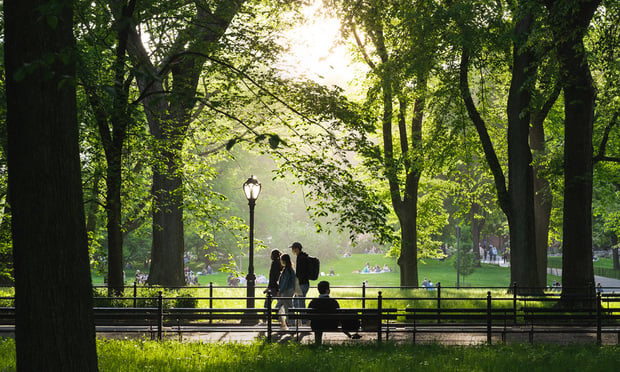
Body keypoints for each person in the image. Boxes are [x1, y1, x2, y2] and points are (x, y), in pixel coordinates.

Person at [308, 280, 361, 345]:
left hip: (316, 325)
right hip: (331, 325)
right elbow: (338, 315)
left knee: (318, 323)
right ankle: (349, 334)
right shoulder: (333, 302)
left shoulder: (313, 302)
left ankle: (317, 343)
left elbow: (308, 315)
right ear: (327, 291)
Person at [276, 253, 296, 330]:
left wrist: (280, 291)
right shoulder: (290, 269)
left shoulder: (287, 270)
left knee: (285, 306)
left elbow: (285, 282)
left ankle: (289, 323)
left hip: (286, 290)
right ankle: (287, 323)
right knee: (287, 306)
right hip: (289, 290)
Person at [290, 242, 311, 313]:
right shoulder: (303, 256)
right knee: (297, 302)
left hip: (301, 284)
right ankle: (300, 320)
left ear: (296, 249)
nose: (292, 251)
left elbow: (299, 273)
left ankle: (303, 320)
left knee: (300, 303)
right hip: (304, 283)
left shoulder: (300, 258)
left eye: (293, 249)